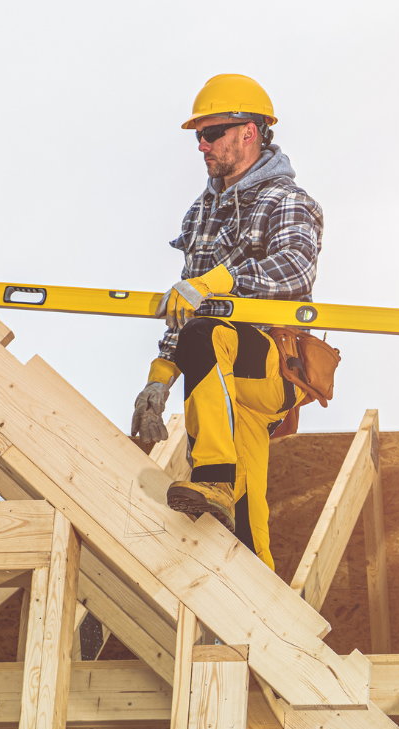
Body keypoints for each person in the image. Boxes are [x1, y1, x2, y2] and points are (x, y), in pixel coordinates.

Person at [131, 73, 323, 571]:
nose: (202, 145)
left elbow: (295, 271)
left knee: (206, 331)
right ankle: (267, 610)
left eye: (212, 133)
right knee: (240, 517)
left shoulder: (288, 201)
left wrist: (218, 282)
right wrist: (159, 379)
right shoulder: (201, 214)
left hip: (269, 368)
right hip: (217, 383)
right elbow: (183, 304)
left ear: (249, 133)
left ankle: (214, 472)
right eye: (199, 135)